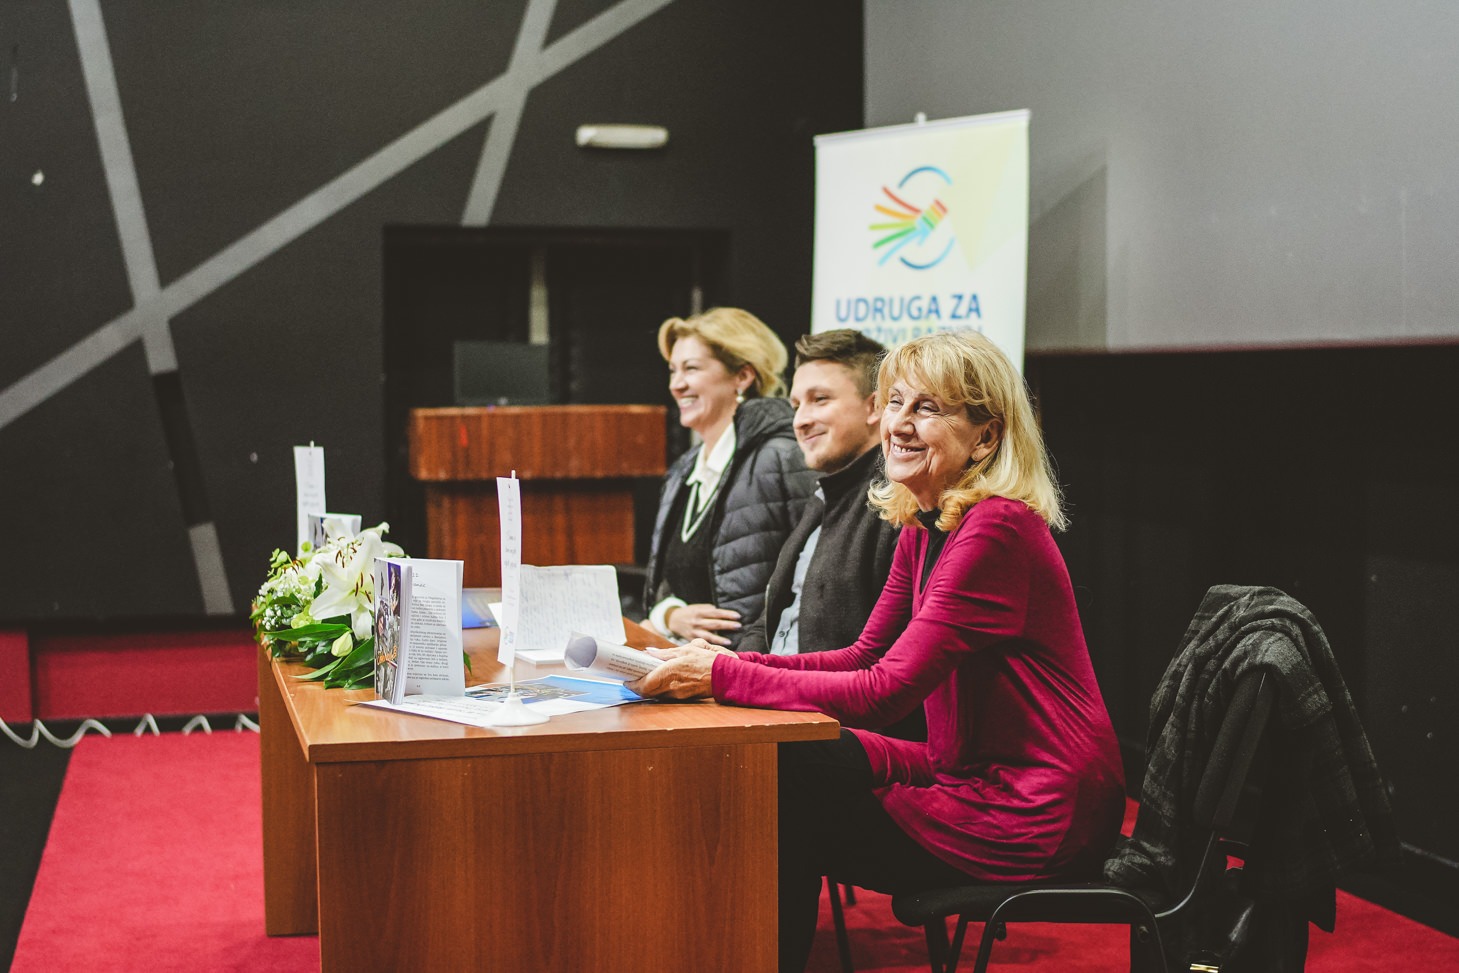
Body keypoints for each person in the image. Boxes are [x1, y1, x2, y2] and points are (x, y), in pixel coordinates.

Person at [629, 330, 1126, 973]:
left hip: (1032, 807)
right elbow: (863, 654)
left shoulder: (997, 528)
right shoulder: (926, 519)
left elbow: (884, 690)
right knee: (777, 757)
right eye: (895, 403)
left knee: (784, 793)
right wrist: (727, 666)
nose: (899, 424)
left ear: (986, 437)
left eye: (928, 408)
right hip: (962, 767)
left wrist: (722, 675)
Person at [643, 308, 818, 651]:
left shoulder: (784, 456)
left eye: (691, 368)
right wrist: (669, 615)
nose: (676, 384)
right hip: (686, 664)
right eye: (673, 370)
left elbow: (812, 582)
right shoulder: (683, 469)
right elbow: (664, 583)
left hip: (749, 668)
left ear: (742, 376)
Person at [737, 329, 898, 659]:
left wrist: (743, 674)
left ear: (875, 407)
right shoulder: (825, 494)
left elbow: (876, 663)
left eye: (820, 399)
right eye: (796, 405)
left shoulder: (899, 504)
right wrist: (728, 665)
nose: (800, 421)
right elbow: (770, 621)